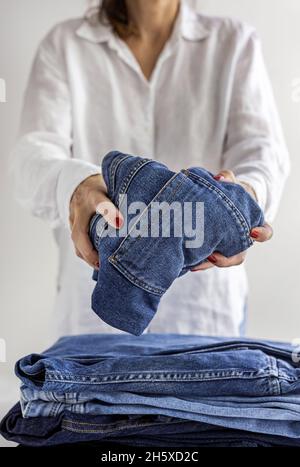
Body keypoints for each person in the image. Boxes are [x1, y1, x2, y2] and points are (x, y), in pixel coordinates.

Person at [12, 0, 289, 338]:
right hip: (91, 324)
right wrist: (77, 186)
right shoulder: (65, 44)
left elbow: (263, 154)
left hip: (207, 317)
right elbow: (29, 158)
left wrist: (244, 199)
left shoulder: (234, 41)